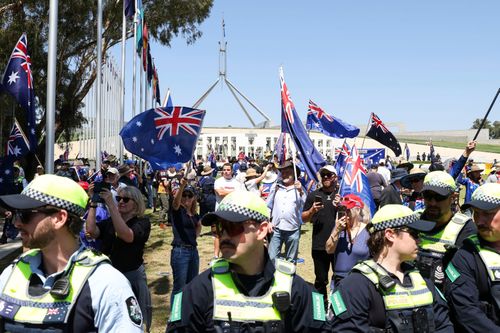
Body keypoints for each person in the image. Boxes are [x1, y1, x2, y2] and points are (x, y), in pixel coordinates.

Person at [166, 191, 330, 333]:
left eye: (232, 226)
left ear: (262, 230)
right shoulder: (200, 290)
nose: (224, 236)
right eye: (218, 228)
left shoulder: (296, 291)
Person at [0, 174, 143, 332]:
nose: (17, 223)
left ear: (59, 219)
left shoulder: (106, 283)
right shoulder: (11, 273)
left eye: (25, 215)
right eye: (15, 214)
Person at [330, 204, 453, 332]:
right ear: (390, 234)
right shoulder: (354, 286)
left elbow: (444, 325)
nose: (419, 240)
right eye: (414, 233)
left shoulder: (423, 280)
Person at [86, 185, 152, 331]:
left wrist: (111, 205)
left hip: (132, 276)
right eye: (118, 198)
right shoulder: (111, 222)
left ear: (136, 203)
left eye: (125, 199)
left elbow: (126, 235)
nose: (121, 202)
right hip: (109, 277)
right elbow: (91, 230)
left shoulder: (142, 222)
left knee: (136, 320)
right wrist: (93, 203)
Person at [444, 183, 500, 330]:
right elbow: (466, 312)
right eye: (476, 213)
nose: (479, 221)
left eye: (488, 214)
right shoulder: (465, 256)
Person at [417, 171, 477, 288]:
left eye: (439, 197)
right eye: (428, 196)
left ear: (453, 197)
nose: (433, 202)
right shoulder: (412, 220)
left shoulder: (466, 228)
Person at [301, 165, 340, 304]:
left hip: (338, 245)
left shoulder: (341, 195)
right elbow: (303, 218)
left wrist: (341, 206)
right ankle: (320, 310)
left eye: (328, 175)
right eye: (323, 175)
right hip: (319, 244)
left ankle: (337, 307)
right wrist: (312, 210)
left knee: (339, 277)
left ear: (335, 177)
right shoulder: (313, 196)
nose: (325, 178)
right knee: (320, 280)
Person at [325, 194, 370, 286]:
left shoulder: (368, 231)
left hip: (360, 282)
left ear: (357, 210)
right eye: (342, 210)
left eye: (347, 210)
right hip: (339, 281)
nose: (344, 214)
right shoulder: (339, 227)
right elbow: (329, 250)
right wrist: (336, 231)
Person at [169, 178, 201, 305]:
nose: (186, 198)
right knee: (179, 287)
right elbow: (175, 203)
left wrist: (194, 237)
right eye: (184, 195)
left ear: (193, 198)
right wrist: (181, 187)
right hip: (180, 251)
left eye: (190, 195)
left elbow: (199, 225)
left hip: (193, 251)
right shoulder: (177, 211)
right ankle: (175, 318)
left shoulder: (194, 214)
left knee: (192, 285)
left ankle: (187, 313)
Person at [267, 160, 306, 262]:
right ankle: (273, 277)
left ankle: (290, 278)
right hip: (276, 228)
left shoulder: (300, 189)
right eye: (283, 172)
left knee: (291, 260)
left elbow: (305, 205)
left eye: (288, 172)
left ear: (294, 174)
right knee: (272, 258)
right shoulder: (276, 187)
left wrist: (301, 191)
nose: (284, 175)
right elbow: (268, 206)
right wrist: (268, 222)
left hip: (293, 229)